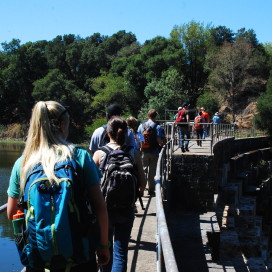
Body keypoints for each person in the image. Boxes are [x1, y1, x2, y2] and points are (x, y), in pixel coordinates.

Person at [7, 101, 110, 272]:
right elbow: (100, 207)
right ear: (62, 125)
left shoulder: (23, 163)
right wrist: (104, 245)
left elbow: (11, 212)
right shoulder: (80, 156)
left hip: (39, 260)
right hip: (80, 258)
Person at [93, 116, 145, 272]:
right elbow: (142, 184)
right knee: (121, 252)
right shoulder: (133, 153)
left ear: (108, 132)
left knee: (104, 248)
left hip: (104, 210)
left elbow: (91, 187)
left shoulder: (99, 154)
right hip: (126, 209)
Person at [137, 109, 164, 196]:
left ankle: (141, 189)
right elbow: (159, 141)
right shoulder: (158, 127)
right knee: (152, 172)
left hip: (143, 151)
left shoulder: (141, 126)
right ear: (155, 116)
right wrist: (163, 143)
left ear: (148, 115)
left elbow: (138, 139)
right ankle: (151, 191)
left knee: (143, 170)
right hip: (154, 152)